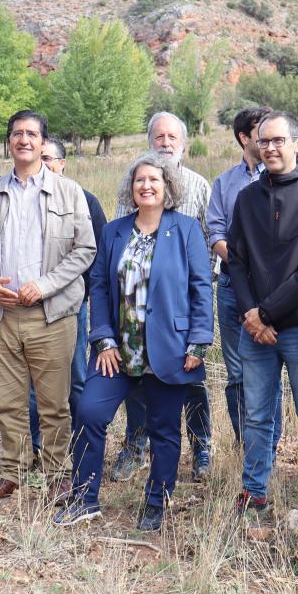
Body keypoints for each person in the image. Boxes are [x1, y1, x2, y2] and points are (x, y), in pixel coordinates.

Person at [55, 153, 213, 532]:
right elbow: (99, 287)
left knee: (163, 429)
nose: (146, 186)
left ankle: (157, 501)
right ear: (131, 188)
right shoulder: (114, 231)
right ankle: (84, 498)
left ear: (167, 187)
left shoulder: (187, 229)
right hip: (118, 350)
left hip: (170, 348)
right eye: (139, 180)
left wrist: (198, 342)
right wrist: (103, 338)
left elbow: (201, 287)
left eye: (154, 180)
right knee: (89, 412)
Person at [0, 110, 96, 503]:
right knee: (8, 401)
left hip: (51, 316)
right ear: (10, 142)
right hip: (1, 316)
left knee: (54, 403)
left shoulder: (68, 192)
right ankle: (12, 471)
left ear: (42, 143)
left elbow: (84, 249)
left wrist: (45, 285)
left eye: (32, 134)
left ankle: (57, 474)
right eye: (17, 133)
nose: (24, 140)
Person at [228, 110, 298, 520]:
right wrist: (251, 314)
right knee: (256, 414)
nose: (269, 148)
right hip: (254, 329)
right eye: (263, 141)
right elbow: (236, 261)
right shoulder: (247, 197)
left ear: (297, 143)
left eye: (278, 141)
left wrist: (267, 312)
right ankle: (254, 491)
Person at [110, 111, 213, 483]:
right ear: (149, 141)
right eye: (159, 137)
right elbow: (120, 237)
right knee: (136, 378)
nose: (165, 142)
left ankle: (201, 448)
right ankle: (135, 446)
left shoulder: (199, 186)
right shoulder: (136, 181)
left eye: (172, 137)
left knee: (191, 380)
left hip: (180, 308)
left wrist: (200, 294)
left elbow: (209, 239)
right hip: (136, 307)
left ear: (183, 144)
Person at [206, 106, 284, 448]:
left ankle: (270, 443)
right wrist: (240, 262)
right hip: (230, 287)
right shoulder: (225, 183)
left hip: (274, 289)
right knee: (236, 372)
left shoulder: (287, 176)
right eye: (261, 135)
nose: (268, 142)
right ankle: (245, 443)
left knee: (269, 370)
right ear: (244, 138)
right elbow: (215, 231)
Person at [28, 137, 107, 450]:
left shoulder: (84, 200)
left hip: (71, 304)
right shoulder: (23, 200)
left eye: (49, 158)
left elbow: (96, 255)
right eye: (39, 157)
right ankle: (36, 445)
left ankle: (80, 443)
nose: (44, 163)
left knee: (75, 375)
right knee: (34, 381)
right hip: (29, 304)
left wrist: (81, 293)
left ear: (62, 164)